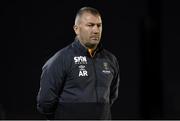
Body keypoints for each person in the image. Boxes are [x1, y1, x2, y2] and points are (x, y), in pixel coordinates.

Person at [37, 6, 120, 120]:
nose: (96, 30)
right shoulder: (61, 59)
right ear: (76, 29)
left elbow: (111, 97)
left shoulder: (110, 60)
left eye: (99, 25)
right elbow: (45, 102)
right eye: (90, 25)